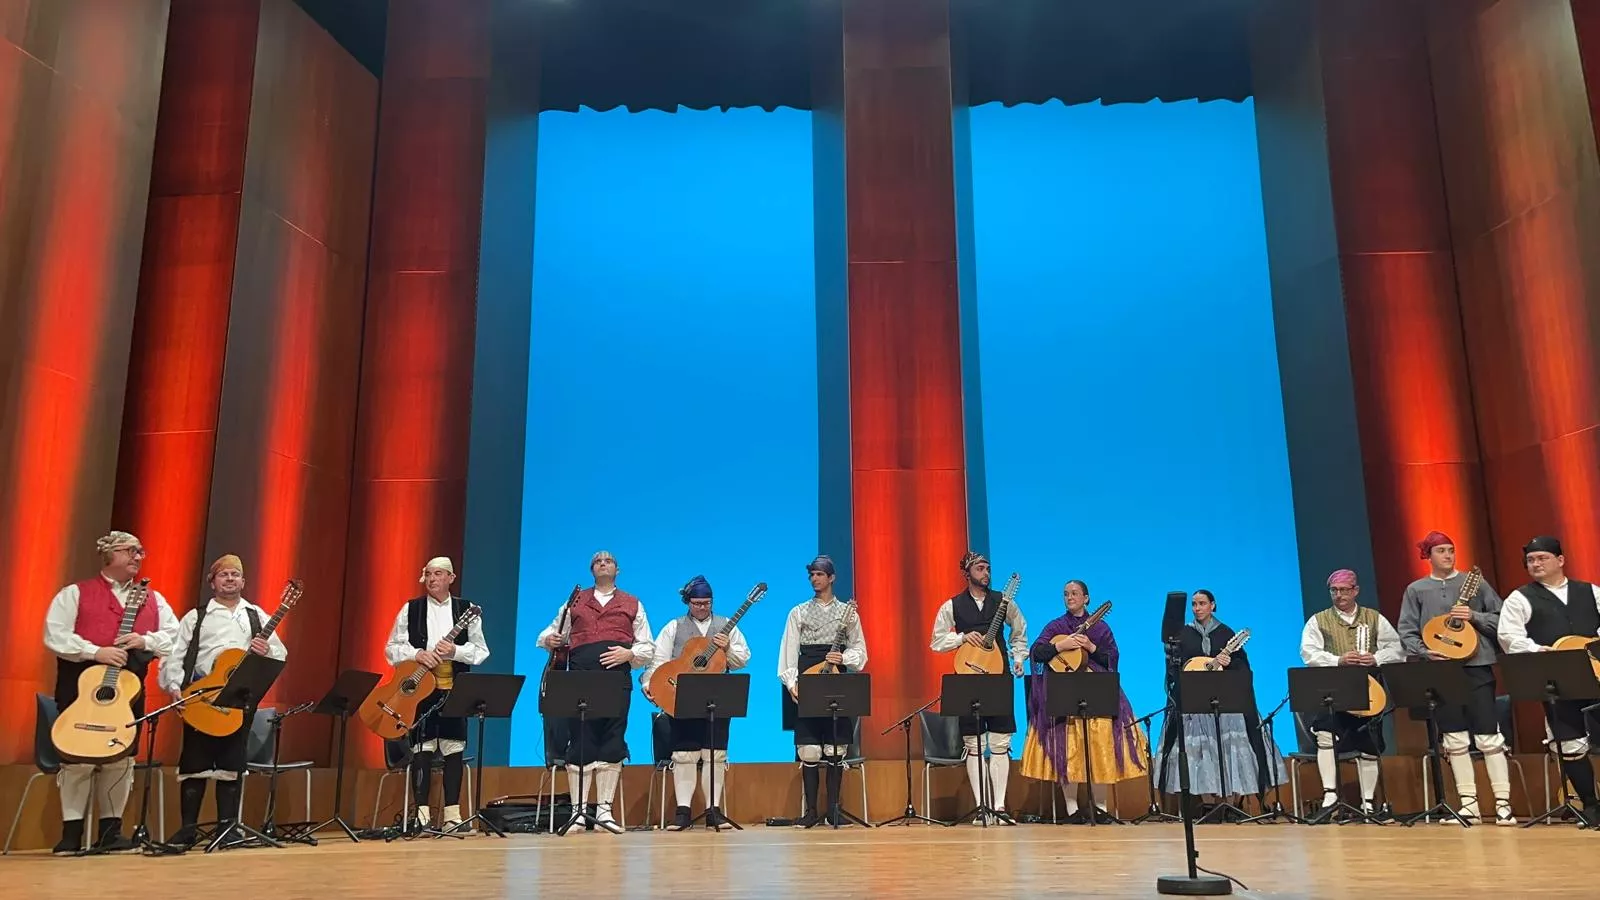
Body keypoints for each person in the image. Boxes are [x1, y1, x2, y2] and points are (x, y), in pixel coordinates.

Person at [43, 531, 179, 854]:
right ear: (108, 554)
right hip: (80, 686)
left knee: (120, 759)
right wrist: (95, 651)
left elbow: (175, 636)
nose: (138, 557)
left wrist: (145, 640)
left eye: (140, 552)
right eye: (130, 551)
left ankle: (110, 832)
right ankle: (71, 834)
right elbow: (55, 634)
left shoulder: (155, 599)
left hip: (128, 690)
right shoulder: (75, 593)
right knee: (77, 759)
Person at [159, 554, 288, 846]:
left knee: (232, 763)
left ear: (243, 581)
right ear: (212, 582)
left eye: (235, 574)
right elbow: (176, 653)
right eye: (223, 574)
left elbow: (280, 654)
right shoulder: (197, 616)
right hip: (201, 696)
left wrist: (266, 650)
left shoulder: (256, 615)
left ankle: (228, 828)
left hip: (237, 699)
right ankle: (188, 830)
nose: (230, 579)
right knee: (195, 761)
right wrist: (174, 685)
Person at [1396, 530, 1513, 825]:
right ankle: (1469, 805)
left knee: (1488, 735)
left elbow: (1501, 618)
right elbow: (1406, 629)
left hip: (1477, 666)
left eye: (1451, 550)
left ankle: (1503, 804)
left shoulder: (1475, 583)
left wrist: (1475, 616)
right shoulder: (1417, 590)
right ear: (1428, 556)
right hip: (1441, 670)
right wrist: (1425, 652)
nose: (1448, 555)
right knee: (1455, 738)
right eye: (1441, 551)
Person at [537, 550, 653, 834]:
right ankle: (578, 813)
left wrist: (629, 654)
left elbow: (647, 647)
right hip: (580, 679)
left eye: (608, 560)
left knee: (612, 739)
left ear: (617, 570)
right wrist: (550, 639)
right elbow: (549, 634)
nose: (603, 563)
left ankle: (604, 811)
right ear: (592, 570)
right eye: (598, 561)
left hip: (615, 680)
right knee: (580, 739)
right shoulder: (575, 601)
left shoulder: (633, 603)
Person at [1022, 580, 1146, 823]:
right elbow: (1036, 652)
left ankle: (1100, 808)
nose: (1070, 597)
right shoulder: (1056, 626)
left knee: (1099, 747)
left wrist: (1091, 647)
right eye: (1066, 594)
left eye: (1075, 593)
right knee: (1068, 748)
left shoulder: (1101, 628)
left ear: (1086, 598)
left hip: (1097, 691)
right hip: (1065, 693)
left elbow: (1112, 658)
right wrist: (1060, 645)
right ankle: (1072, 811)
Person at [1497, 535, 1600, 825]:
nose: (1536, 564)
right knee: (1569, 741)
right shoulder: (1519, 598)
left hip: (1596, 671)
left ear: (1560, 560)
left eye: (1542, 558)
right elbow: (1509, 636)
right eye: (1530, 560)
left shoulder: (1589, 591)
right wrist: (1537, 649)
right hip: (1557, 678)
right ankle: (1591, 806)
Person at [383, 556, 489, 832]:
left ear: (451, 578)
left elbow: (481, 651)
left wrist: (455, 651)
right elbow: (392, 648)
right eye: (428, 574)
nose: (432, 579)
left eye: (438, 574)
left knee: (454, 748)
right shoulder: (411, 609)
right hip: (419, 690)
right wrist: (417, 654)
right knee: (423, 748)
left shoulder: (466, 610)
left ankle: (453, 816)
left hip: (455, 688)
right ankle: (422, 817)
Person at [1154, 590, 1283, 815]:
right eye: (1194, 604)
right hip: (1194, 706)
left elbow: (1242, 669)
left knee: (1226, 750)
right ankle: (1206, 803)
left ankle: (1228, 802)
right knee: (1200, 753)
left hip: (1224, 707)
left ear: (1212, 605)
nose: (1197, 608)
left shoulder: (1226, 633)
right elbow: (1175, 667)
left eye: (1202, 603)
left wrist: (1228, 662)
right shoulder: (1183, 633)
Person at [642, 575, 750, 831]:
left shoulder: (726, 626)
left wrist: (727, 649)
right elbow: (659, 659)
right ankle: (683, 812)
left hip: (718, 694)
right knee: (684, 754)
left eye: (707, 603)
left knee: (716, 754)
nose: (702, 607)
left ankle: (714, 810)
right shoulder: (674, 626)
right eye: (697, 603)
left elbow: (743, 658)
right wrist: (650, 684)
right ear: (687, 602)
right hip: (682, 695)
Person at [929, 551, 1027, 824]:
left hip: (998, 673)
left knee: (1000, 741)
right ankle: (981, 806)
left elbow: (1019, 632)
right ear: (967, 573)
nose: (986, 573)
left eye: (988, 568)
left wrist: (1019, 659)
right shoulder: (953, 605)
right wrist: (961, 638)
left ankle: (999, 806)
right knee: (973, 742)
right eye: (980, 568)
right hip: (967, 674)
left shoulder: (1004, 601)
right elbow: (937, 641)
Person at [1299, 568, 1402, 818]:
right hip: (1334, 689)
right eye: (1334, 590)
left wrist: (1375, 658)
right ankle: (1330, 797)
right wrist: (1338, 660)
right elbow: (1308, 653)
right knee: (1326, 735)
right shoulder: (1318, 620)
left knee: (1369, 743)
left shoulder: (1374, 618)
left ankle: (1368, 802)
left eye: (1344, 590)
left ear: (1355, 591)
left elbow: (1397, 649)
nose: (1339, 595)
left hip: (1369, 688)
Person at [778, 555, 866, 827]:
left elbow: (860, 650)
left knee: (835, 748)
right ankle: (811, 811)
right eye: (812, 575)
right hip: (808, 675)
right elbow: (789, 649)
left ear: (831, 578)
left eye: (819, 574)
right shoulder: (798, 612)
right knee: (810, 749)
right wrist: (792, 683)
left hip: (836, 679)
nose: (814, 579)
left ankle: (834, 810)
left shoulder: (847, 612)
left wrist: (844, 657)